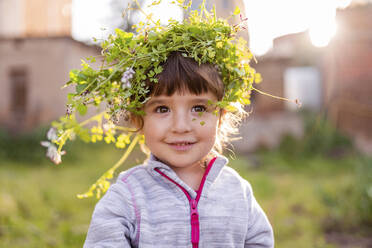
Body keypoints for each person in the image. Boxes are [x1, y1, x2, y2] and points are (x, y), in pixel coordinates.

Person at [83, 51, 274, 247]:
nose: (181, 126)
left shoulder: (238, 191)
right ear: (138, 119)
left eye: (199, 108)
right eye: (162, 109)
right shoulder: (126, 196)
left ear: (221, 116)